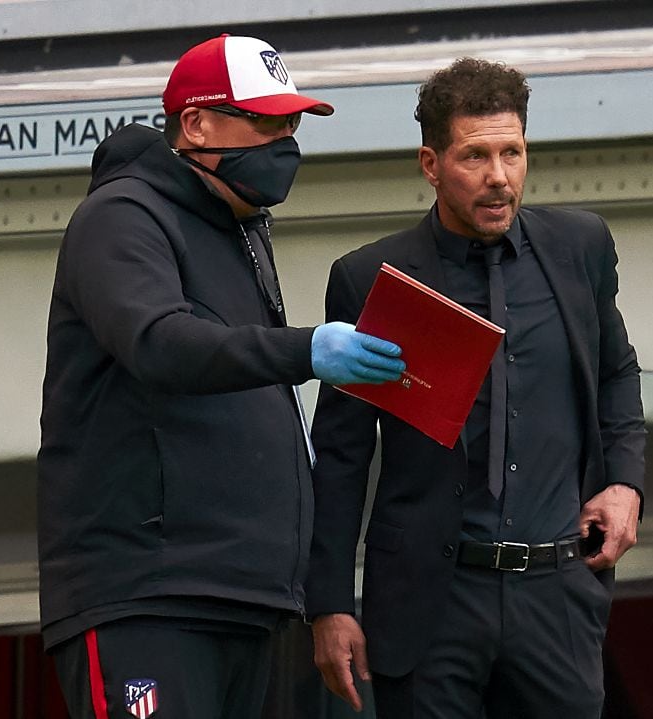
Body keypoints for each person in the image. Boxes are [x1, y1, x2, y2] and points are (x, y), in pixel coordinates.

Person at [36, 34, 405, 719]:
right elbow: (160, 343)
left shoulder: (241, 228)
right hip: (147, 596)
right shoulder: (121, 216)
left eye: (290, 124)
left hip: (242, 597)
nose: (284, 141)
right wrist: (307, 350)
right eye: (264, 121)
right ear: (196, 124)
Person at [306, 57, 646, 718]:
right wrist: (328, 604)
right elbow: (341, 456)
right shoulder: (372, 277)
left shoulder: (580, 247)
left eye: (512, 152)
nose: (498, 177)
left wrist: (626, 483)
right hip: (430, 603)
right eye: (475, 156)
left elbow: (616, 373)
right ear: (430, 164)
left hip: (557, 592)